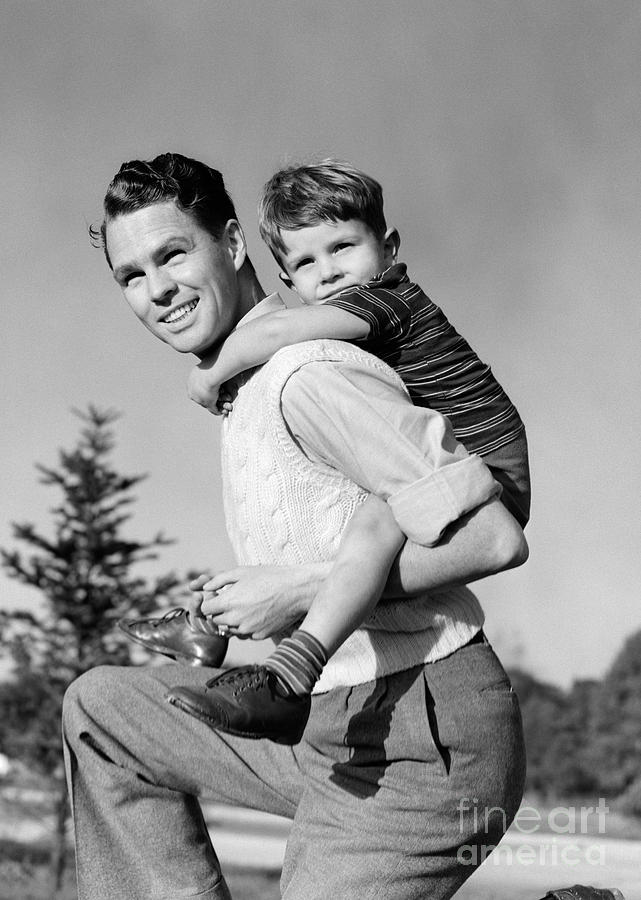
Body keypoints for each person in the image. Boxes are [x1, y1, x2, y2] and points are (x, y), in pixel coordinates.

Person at [63, 152, 528, 900]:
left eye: (174, 254)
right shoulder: (245, 385)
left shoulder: (307, 372)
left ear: (235, 244)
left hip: (420, 741)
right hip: (324, 724)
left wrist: (299, 593)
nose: (157, 290)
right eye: (131, 275)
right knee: (104, 711)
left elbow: (495, 537)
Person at [121, 159, 531, 744]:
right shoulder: (291, 371)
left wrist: (209, 377)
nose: (331, 272)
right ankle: (208, 628)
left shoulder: (376, 307)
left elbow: (494, 538)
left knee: (378, 516)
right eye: (308, 262)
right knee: (101, 707)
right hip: (348, 703)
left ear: (388, 247)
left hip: (488, 482)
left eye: (343, 247)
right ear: (288, 275)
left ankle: (289, 671)